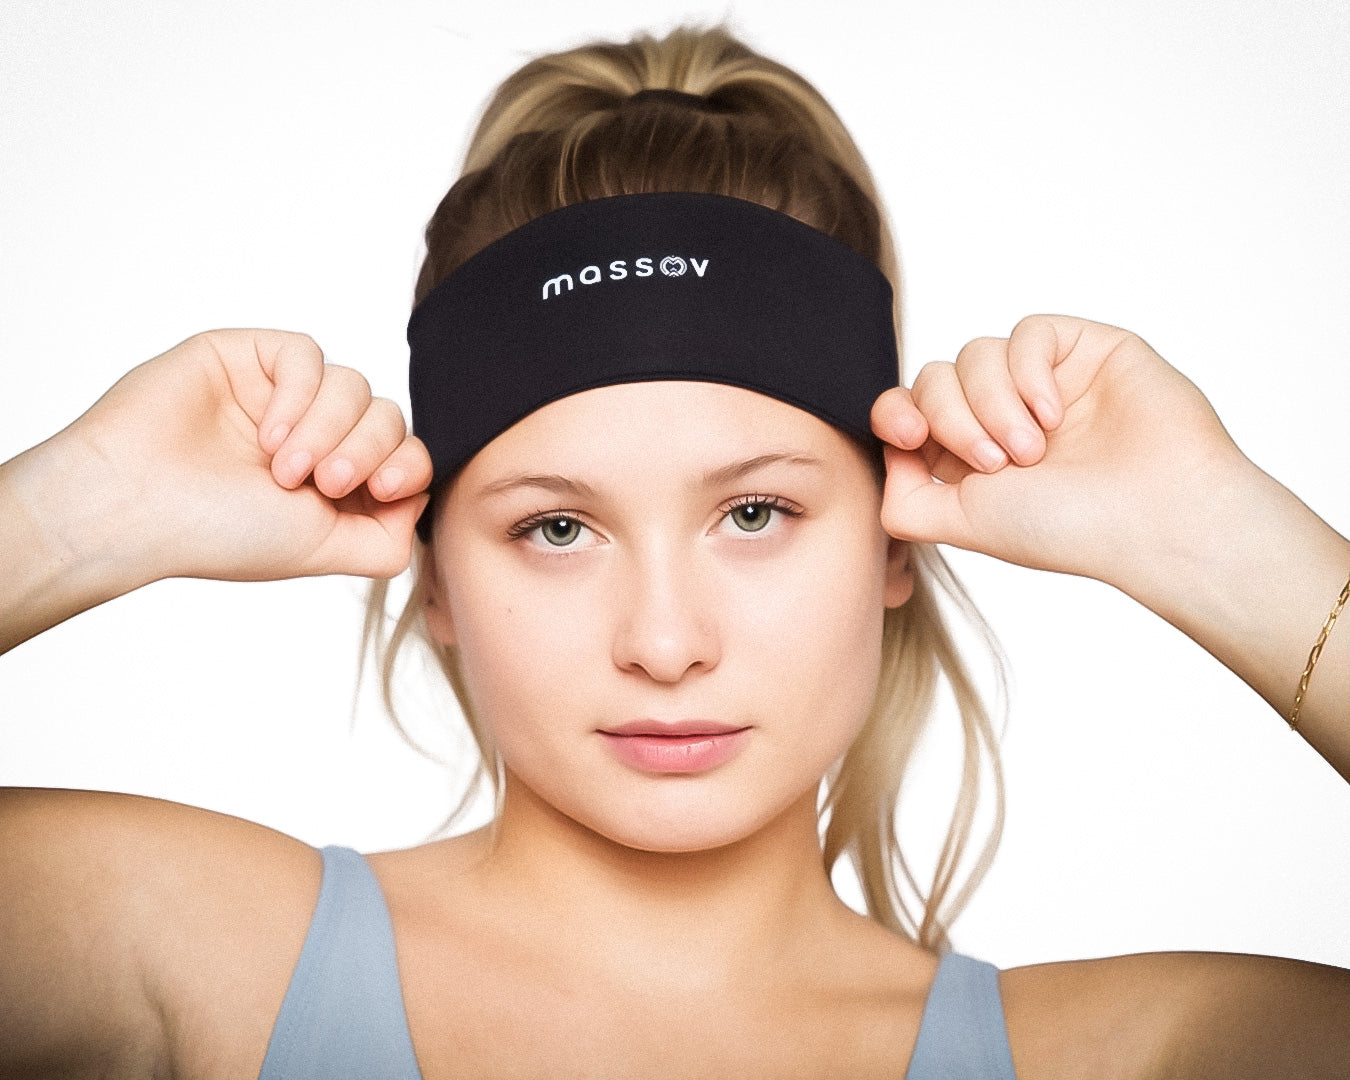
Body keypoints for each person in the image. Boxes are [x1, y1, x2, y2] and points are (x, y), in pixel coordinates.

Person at [2, 23, 1348, 1079]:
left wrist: (1217, 538)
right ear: (432, 575)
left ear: (894, 537)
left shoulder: (1134, 1056)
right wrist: (74, 513)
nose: (663, 641)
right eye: (557, 527)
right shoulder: (186, 952)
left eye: (754, 514)